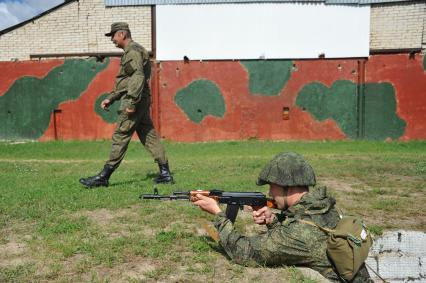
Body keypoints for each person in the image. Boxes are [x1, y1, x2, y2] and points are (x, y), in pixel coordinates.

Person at [194, 152, 372, 282]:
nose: (270, 192)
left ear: (288, 187)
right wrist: (273, 221)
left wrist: (218, 213)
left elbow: (244, 253)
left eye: (273, 186)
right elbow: (302, 228)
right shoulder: (323, 206)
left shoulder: (298, 235)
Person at [79, 22, 173, 188]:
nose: (112, 40)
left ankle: (104, 176)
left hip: (135, 100)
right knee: (148, 135)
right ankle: (165, 173)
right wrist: (112, 97)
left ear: (122, 34)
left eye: (113, 36)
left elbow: (137, 77)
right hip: (141, 98)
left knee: (120, 135)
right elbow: (128, 80)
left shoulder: (132, 51)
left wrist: (131, 101)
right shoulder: (137, 50)